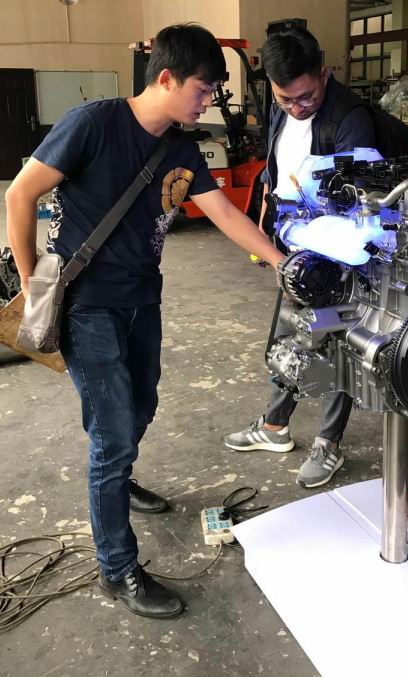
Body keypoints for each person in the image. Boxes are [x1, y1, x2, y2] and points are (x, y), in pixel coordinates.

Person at [6, 23, 284, 619]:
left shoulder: (179, 148)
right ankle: (117, 569)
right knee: (111, 438)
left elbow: (224, 214)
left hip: (142, 302)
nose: (207, 101)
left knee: (140, 408)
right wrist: (32, 285)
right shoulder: (93, 124)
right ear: (167, 78)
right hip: (86, 306)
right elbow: (20, 196)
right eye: (203, 89)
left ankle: (121, 478)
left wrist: (281, 262)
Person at [224, 27, 376, 489]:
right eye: (285, 99)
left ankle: (329, 442)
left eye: (305, 97)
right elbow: (275, 168)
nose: (296, 107)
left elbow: (359, 198)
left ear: (323, 74)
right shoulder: (279, 107)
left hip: (339, 250)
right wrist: (268, 217)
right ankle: (275, 425)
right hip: (293, 244)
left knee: (337, 341)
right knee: (288, 336)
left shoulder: (350, 117)